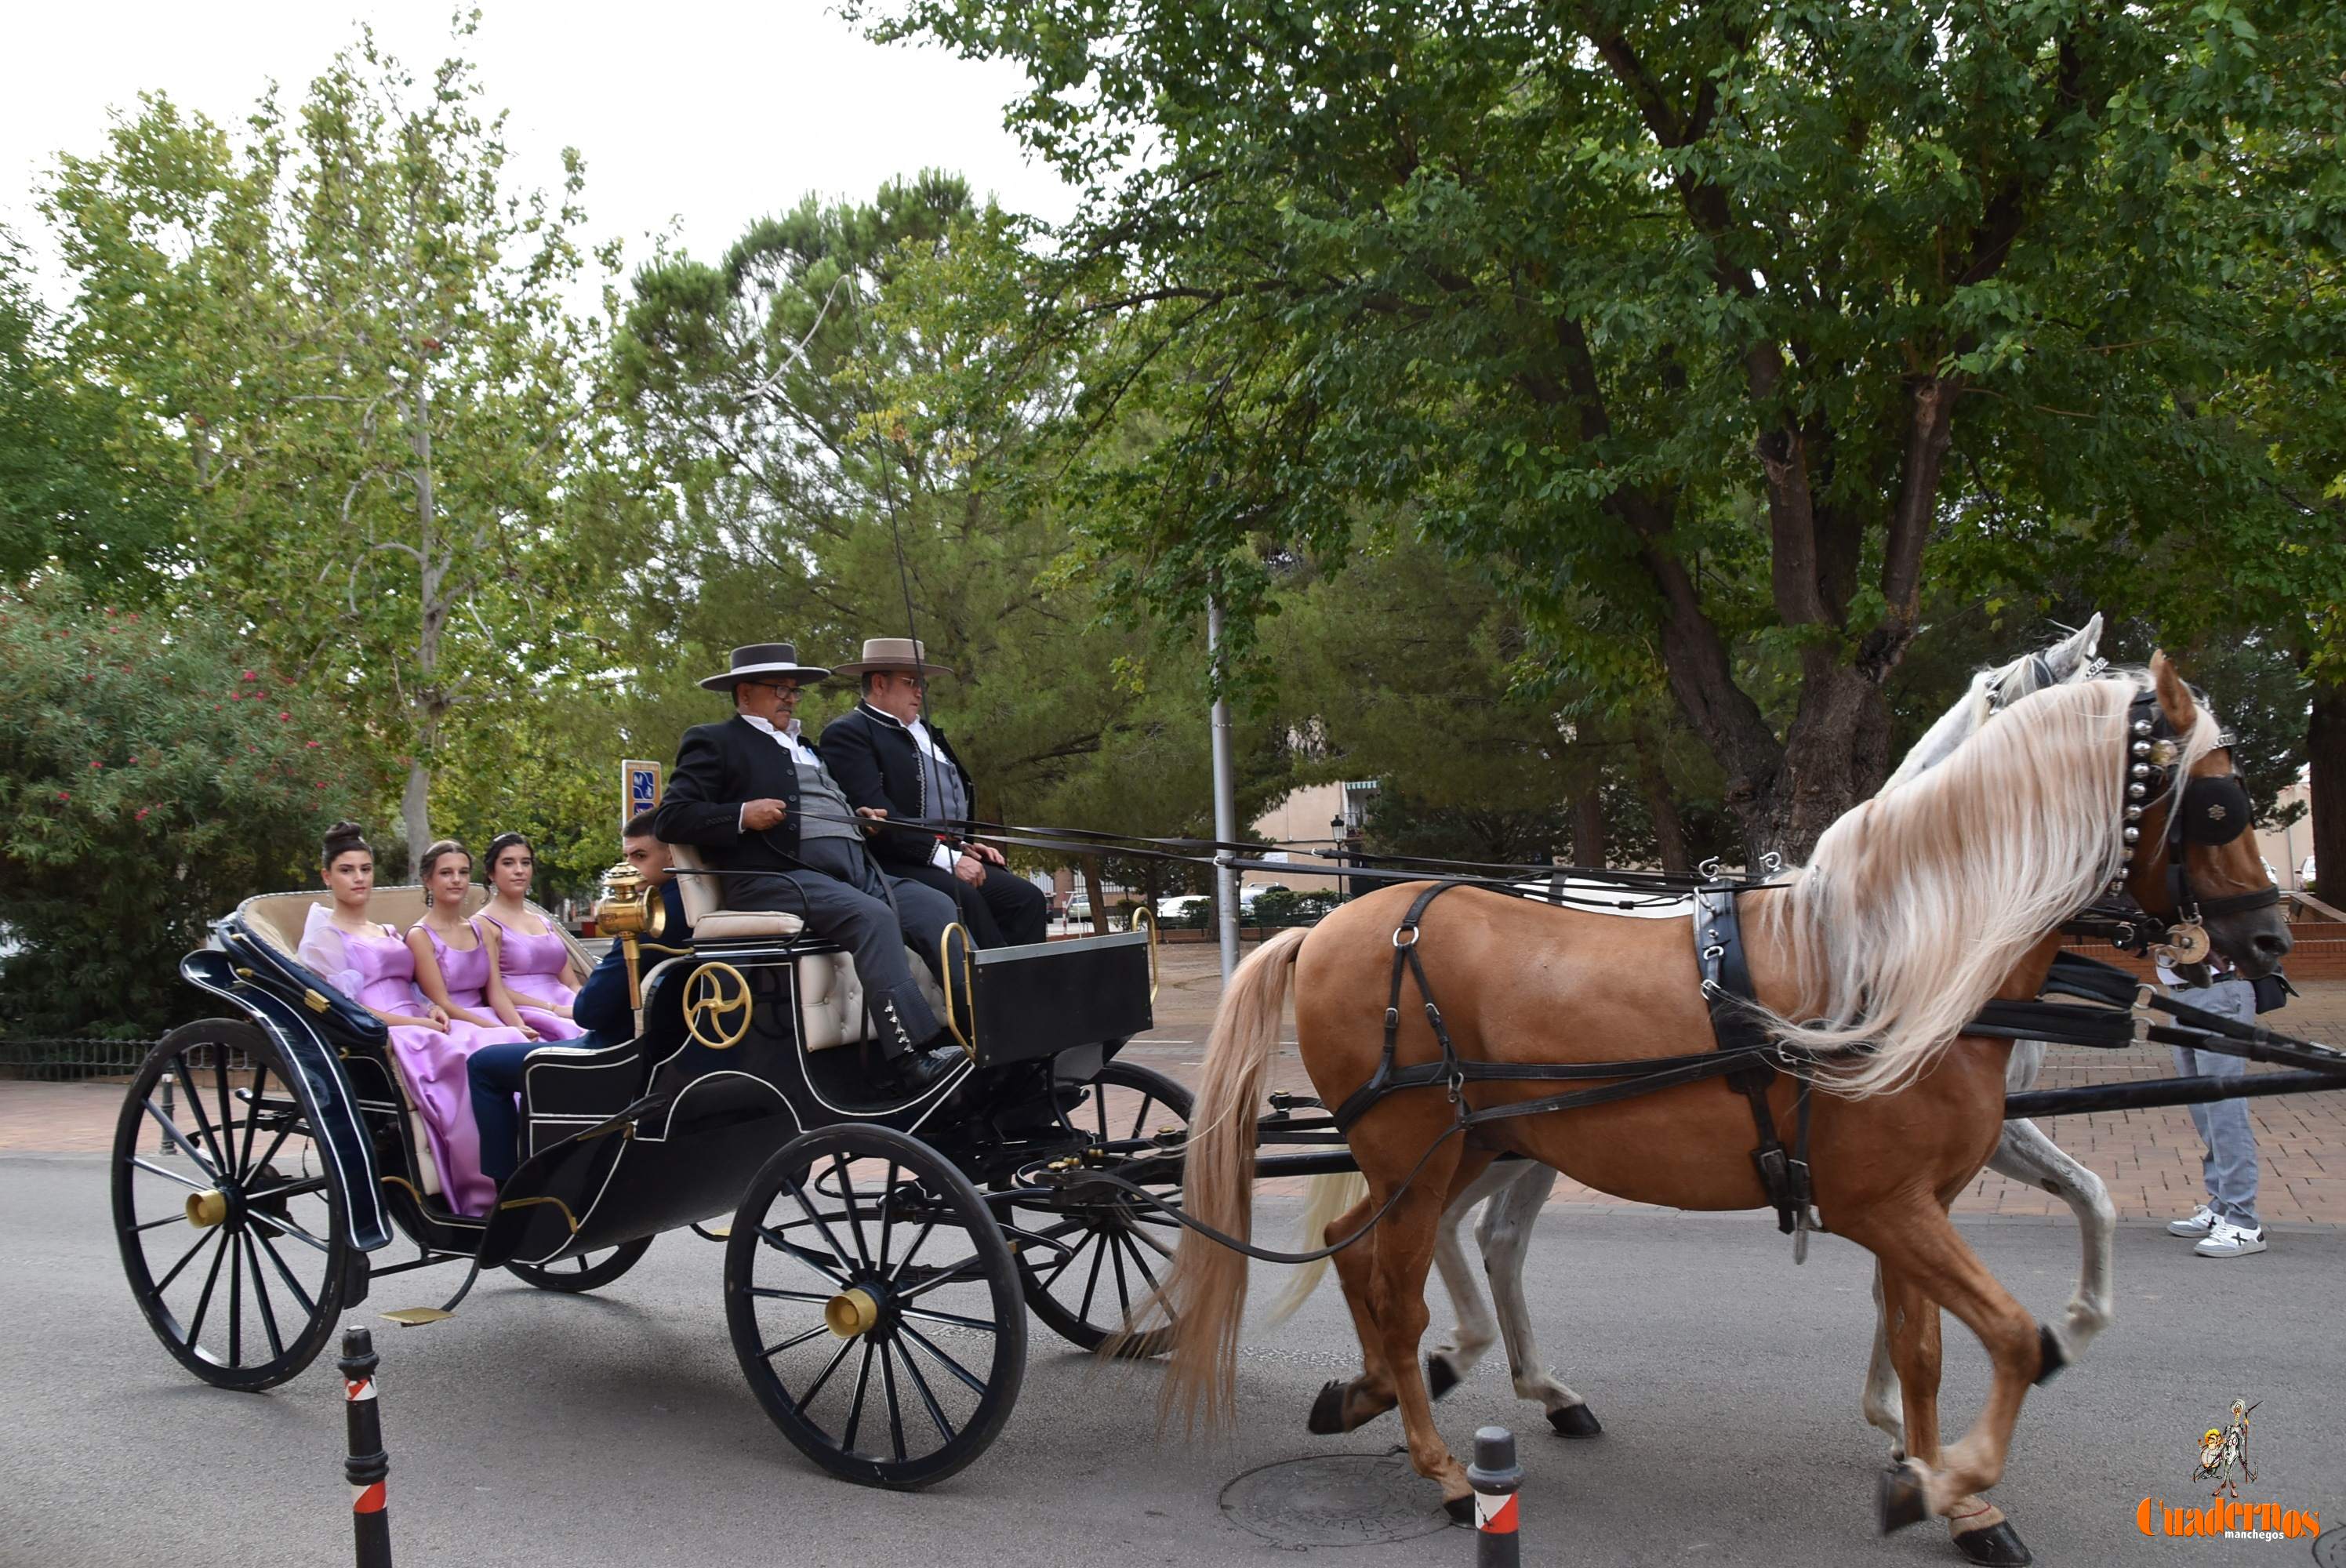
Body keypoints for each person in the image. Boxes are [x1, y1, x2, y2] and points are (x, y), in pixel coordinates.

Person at [653, 642, 966, 1098]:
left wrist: (861, 820)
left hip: (854, 871)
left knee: (937, 907)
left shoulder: (805, 746)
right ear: (744, 694)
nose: (790, 698)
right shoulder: (715, 741)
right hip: (775, 879)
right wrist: (743, 814)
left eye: (794, 691)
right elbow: (671, 818)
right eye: (779, 689)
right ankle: (912, 1056)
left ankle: (977, 1031)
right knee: (872, 918)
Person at [294, 822, 522, 1218]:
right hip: (382, 1031)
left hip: (419, 1021)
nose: (359, 878)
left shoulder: (384, 930)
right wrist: (414, 1025)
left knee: (494, 1045)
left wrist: (427, 1009)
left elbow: (411, 985)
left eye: (365, 869)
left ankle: (518, 1158)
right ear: (327, 876)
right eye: (347, 870)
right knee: (466, 1053)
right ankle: (483, 1185)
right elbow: (349, 1007)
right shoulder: (326, 937)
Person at [821, 636, 1048, 949]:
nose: (920, 691)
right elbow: (880, 817)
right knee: (965, 898)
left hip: (943, 854)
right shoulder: (849, 733)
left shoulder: (927, 732)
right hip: (894, 862)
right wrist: (948, 859)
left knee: (1027, 898)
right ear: (879, 683)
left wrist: (963, 845)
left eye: (922, 683)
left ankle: (1030, 989)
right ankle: (994, 992)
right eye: (911, 681)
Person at [2162, 952, 2268, 1258]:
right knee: (2204, 1110)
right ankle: (2221, 1206)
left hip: (2219, 991)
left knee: (2224, 1111)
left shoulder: (2202, 902)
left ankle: (2244, 1221)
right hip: (2182, 994)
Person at [476, 831, 588, 1039]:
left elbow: (571, 983)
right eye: (508, 863)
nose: (519, 870)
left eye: (525, 863)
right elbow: (491, 990)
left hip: (568, 1005)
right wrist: (553, 1009)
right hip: (525, 1010)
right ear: (491, 873)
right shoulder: (483, 924)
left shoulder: (543, 921)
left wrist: (587, 1003)